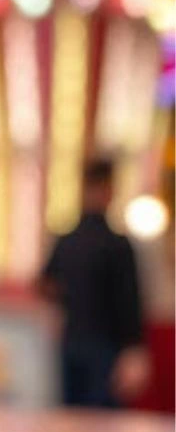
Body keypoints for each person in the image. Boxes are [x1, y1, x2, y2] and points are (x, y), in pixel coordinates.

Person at [40, 160, 148, 408]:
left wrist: (66, 302)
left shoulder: (67, 241)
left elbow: (45, 284)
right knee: (102, 427)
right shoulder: (117, 244)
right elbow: (129, 300)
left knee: (74, 422)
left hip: (72, 339)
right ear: (108, 191)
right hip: (104, 346)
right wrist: (134, 349)